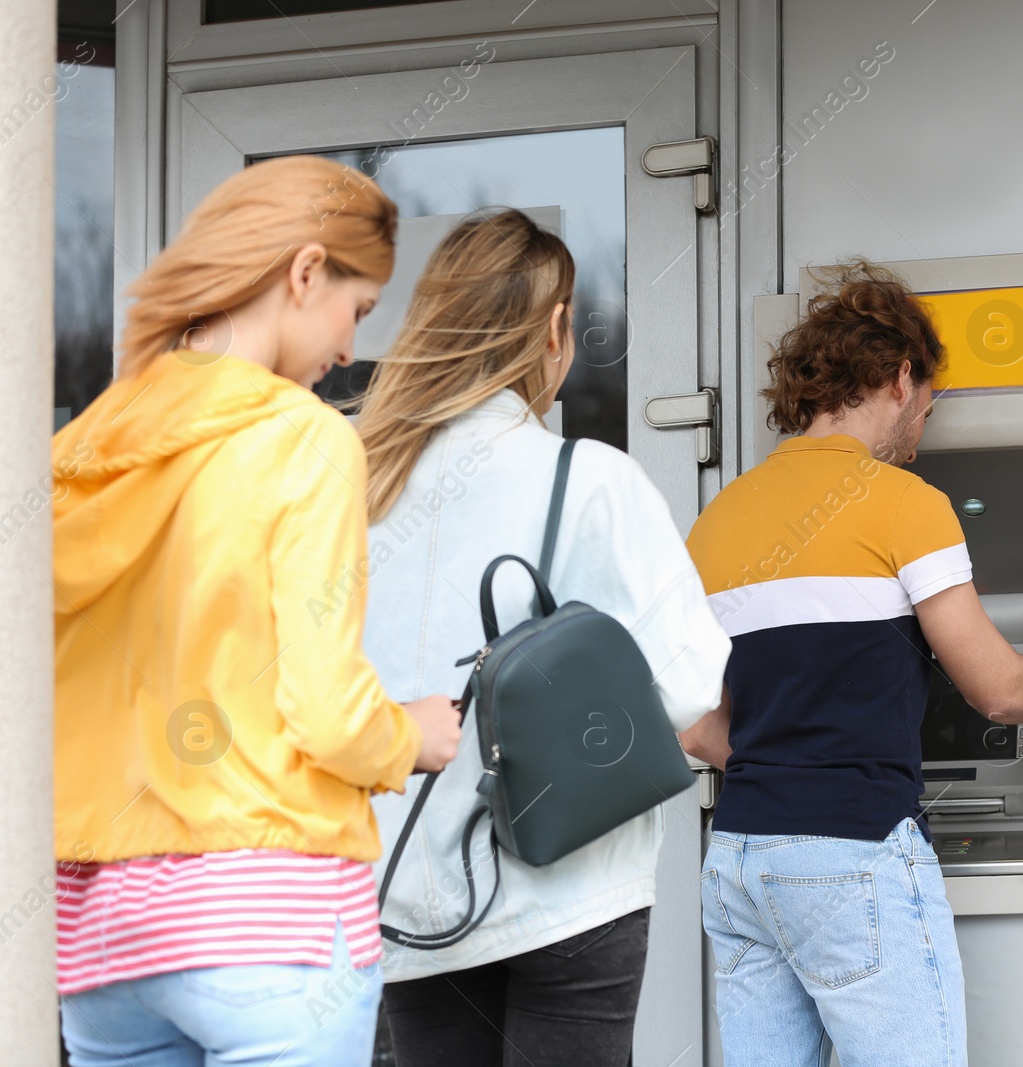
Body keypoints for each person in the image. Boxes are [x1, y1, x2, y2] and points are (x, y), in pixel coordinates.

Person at [52, 156, 463, 1067]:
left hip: (99, 932)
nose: (353, 350)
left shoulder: (82, 445)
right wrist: (408, 737)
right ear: (305, 271)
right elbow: (322, 705)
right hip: (269, 918)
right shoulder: (302, 438)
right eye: (357, 309)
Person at [679, 260, 1023, 1067]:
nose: (923, 428)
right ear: (901, 376)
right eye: (929, 405)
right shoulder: (907, 504)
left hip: (740, 862)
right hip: (854, 851)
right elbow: (997, 691)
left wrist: (787, 755)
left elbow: (697, 729)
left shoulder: (718, 520)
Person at [358, 209, 731, 1067]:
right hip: (571, 887)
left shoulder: (354, 489)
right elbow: (689, 683)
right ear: (554, 329)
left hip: (412, 893)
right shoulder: (589, 477)